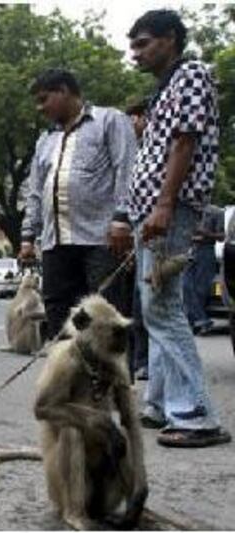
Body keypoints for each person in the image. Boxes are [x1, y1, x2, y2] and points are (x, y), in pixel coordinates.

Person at [127, 9, 230, 447]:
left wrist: (165, 203)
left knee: (163, 308)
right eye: (133, 46)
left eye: (143, 43)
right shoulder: (163, 88)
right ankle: (159, 403)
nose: (136, 54)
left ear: (170, 38)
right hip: (150, 210)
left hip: (169, 209)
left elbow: (185, 142)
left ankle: (197, 414)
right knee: (155, 306)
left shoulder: (191, 76)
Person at [19, 69, 138, 339]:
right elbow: (35, 192)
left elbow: (127, 171)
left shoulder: (110, 120)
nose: (40, 108)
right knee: (59, 316)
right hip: (55, 243)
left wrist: (122, 219)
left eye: (43, 99)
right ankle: (68, 379)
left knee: (105, 318)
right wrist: (28, 236)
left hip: (100, 240)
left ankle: (111, 381)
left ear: (64, 91)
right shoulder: (46, 140)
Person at [125, 100, 151, 380]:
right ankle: (136, 362)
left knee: (151, 309)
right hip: (134, 239)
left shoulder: (155, 150)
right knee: (135, 307)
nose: (130, 125)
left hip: (151, 235)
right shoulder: (135, 152)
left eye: (133, 118)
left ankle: (147, 363)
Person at [182, 204, 225, 335]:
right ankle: (203, 320)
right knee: (185, 285)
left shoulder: (216, 212)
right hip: (188, 249)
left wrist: (207, 234)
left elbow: (222, 236)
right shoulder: (186, 210)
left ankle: (194, 323)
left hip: (206, 251)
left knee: (201, 289)